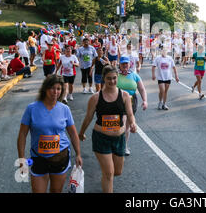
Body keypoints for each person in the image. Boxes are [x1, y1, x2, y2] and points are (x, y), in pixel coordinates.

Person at [17, 75, 83, 193]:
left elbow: (73, 133)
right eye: (52, 88)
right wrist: (21, 158)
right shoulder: (31, 108)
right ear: (45, 89)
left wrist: (78, 154)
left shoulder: (64, 109)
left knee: (56, 191)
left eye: (58, 89)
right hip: (38, 157)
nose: (55, 92)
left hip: (60, 157)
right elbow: (22, 134)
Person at [78, 65, 136, 193]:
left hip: (119, 138)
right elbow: (88, 117)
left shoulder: (125, 96)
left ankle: (106, 175)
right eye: (109, 78)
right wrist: (81, 133)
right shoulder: (96, 98)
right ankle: (106, 178)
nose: (112, 81)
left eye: (114, 78)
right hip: (101, 138)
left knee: (117, 172)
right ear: (103, 79)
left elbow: (130, 114)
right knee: (109, 174)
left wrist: (132, 123)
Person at [117, 56, 148, 156]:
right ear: (120, 65)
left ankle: (124, 145)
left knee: (127, 125)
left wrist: (145, 101)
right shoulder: (116, 75)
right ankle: (118, 143)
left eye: (126, 63)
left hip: (131, 100)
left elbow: (142, 89)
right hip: (118, 100)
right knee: (121, 122)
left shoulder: (134, 75)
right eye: (123, 64)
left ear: (129, 64)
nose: (125, 65)